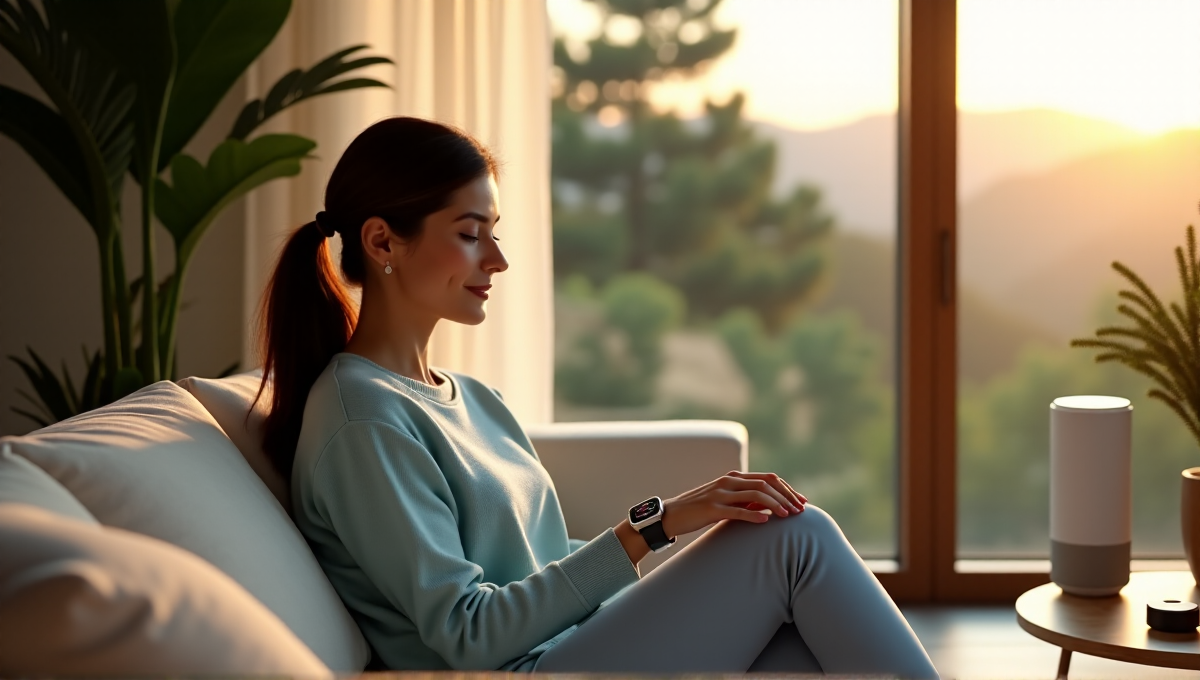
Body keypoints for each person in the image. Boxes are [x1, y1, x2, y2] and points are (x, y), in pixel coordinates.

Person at [253, 116, 939, 678]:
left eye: (495, 233)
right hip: (529, 670)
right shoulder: (362, 419)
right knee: (797, 539)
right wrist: (654, 527)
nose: (497, 259)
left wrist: (686, 584)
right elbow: (468, 633)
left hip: (582, 645)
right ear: (382, 241)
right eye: (470, 234)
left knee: (803, 651)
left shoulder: (474, 399)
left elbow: (540, 558)